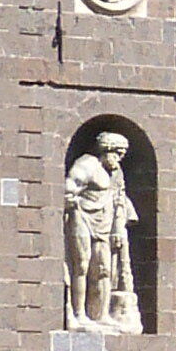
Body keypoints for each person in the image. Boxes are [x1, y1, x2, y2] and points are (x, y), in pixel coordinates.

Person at [64, 129, 143, 332]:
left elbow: (118, 200)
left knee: (104, 270)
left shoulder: (115, 173)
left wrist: (118, 227)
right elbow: (69, 188)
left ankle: (101, 315)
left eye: (122, 155)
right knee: (81, 266)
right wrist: (73, 207)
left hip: (104, 227)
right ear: (105, 150)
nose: (118, 159)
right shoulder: (87, 164)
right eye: (116, 154)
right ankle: (79, 314)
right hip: (82, 219)